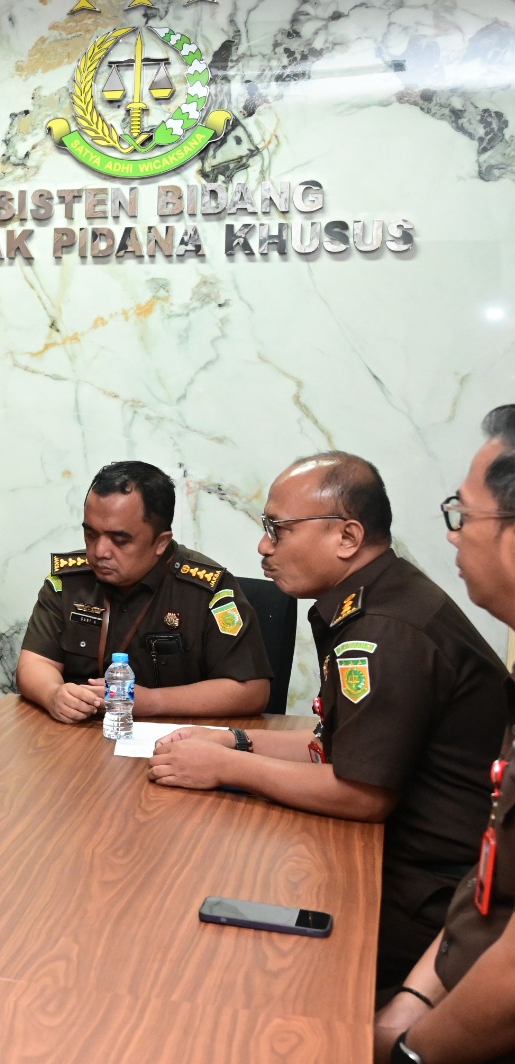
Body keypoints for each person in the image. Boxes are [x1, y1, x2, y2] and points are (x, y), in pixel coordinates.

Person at [150, 452, 509, 992]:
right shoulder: (374, 599)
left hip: (425, 896)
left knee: (227, 967)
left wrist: (226, 766)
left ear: (347, 537)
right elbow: (338, 747)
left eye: (278, 529)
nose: (263, 546)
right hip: (402, 865)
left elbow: (362, 793)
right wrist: (236, 741)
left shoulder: (387, 629)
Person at [373, 408, 515, 1064]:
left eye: (464, 516)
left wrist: (409, 1050)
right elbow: (491, 879)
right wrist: (415, 1001)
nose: (453, 538)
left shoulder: (400, 622)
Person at [17, 461, 273, 722]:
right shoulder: (67, 582)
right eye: (91, 534)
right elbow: (35, 663)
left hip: (177, 744)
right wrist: (54, 694)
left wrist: (151, 702)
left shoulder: (207, 591)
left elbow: (251, 691)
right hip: (79, 737)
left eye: (119, 540)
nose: (99, 552)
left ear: (161, 542)